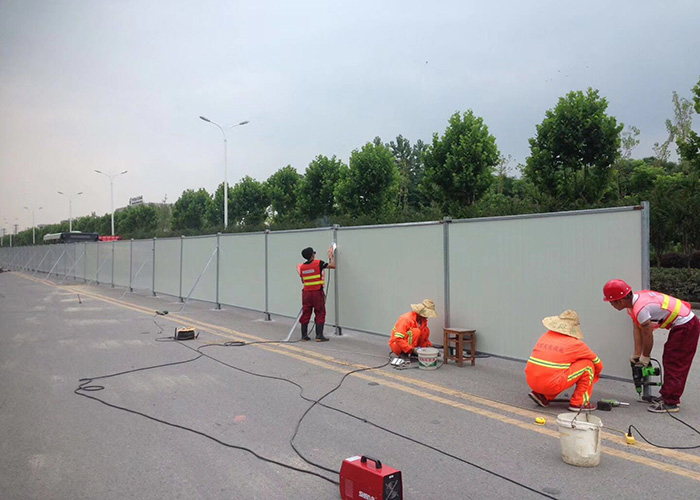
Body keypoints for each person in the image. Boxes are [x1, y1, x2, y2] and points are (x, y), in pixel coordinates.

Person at [603, 279, 699, 413]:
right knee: (671, 358)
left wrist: (645, 357)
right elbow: (637, 328)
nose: (611, 305)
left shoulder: (641, 308)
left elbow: (647, 335)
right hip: (683, 324)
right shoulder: (633, 304)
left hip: (686, 325)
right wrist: (637, 353)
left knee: (675, 361)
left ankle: (670, 402)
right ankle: (667, 396)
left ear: (619, 301)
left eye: (611, 302)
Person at [525, 310, 603, 412]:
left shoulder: (545, 336)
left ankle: (542, 395)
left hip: (531, 381)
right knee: (588, 365)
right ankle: (579, 403)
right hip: (551, 384)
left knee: (556, 369)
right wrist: (593, 377)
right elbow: (597, 363)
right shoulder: (576, 344)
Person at [297, 245, 336, 342]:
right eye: (314, 253)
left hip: (306, 293)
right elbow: (333, 266)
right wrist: (331, 257)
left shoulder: (302, 267)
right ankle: (319, 335)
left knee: (306, 313)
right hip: (317, 292)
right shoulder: (318, 263)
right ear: (312, 255)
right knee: (320, 312)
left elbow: (303, 280)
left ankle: (304, 336)